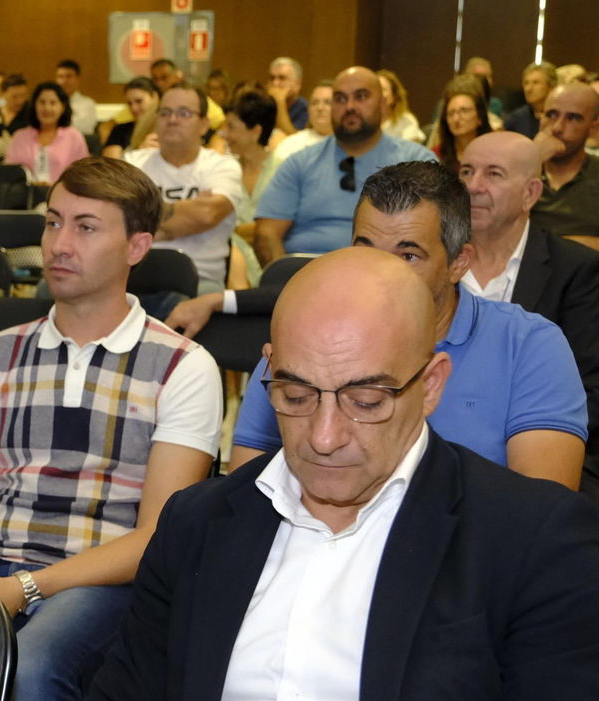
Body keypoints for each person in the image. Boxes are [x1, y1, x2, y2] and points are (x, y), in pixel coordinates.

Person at [0, 244, 599, 701]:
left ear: (431, 383)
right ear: (268, 373)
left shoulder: (527, 536)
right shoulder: (203, 523)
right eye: (295, 394)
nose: (323, 435)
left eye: (366, 398)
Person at [0, 155, 220, 701]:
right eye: (53, 222)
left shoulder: (183, 367)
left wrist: (28, 588)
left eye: (86, 227)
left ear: (137, 247)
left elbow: (157, 538)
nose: (59, 244)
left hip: (108, 577)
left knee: (36, 666)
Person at [233, 161, 586, 486]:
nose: (378, 271)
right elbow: (246, 495)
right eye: (366, 248)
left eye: (408, 255)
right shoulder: (306, 341)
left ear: (458, 263)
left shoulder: (528, 347)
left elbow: (540, 519)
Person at [460, 131, 599, 499]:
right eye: (466, 172)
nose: (473, 186)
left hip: (542, 445)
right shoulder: (432, 263)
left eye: (493, 174)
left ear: (531, 194)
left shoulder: (577, 271)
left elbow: (590, 390)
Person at [253, 67, 436, 264]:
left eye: (361, 96)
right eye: (340, 99)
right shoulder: (300, 162)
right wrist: (290, 285)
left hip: (385, 277)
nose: (350, 106)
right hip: (306, 276)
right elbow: (266, 233)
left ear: (383, 104)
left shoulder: (416, 161)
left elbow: (435, 237)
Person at [126, 82, 243, 296]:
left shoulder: (222, 166)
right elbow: (117, 220)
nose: (172, 120)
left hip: (200, 281)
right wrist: (188, 212)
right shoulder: (133, 164)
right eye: (165, 113)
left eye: (184, 113)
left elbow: (206, 215)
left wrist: (145, 221)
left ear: (204, 124)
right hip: (134, 278)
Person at [222, 89, 284, 288]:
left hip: (271, 260)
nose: (224, 133)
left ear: (255, 131)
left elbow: (280, 227)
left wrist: (238, 231)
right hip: (229, 263)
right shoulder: (222, 170)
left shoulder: (284, 171)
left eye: (231, 127)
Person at [531, 82, 599, 250]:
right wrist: (531, 159)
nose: (557, 128)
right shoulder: (518, 171)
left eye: (573, 118)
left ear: (593, 127)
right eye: (551, 115)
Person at [6, 82, 90, 187]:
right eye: (42, 102)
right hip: (23, 197)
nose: (47, 108)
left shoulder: (74, 137)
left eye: (53, 103)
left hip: (63, 198)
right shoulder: (20, 137)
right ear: (34, 105)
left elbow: (83, 176)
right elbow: (8, 174)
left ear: (63, 107)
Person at [432, 75, 493, 174]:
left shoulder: (495, 154)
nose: (456, 119)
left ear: (480, 117)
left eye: (464, 111)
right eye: (451, 113)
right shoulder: (436, 155)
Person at [149, 59, 226, 133]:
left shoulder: (196, 99)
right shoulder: (153, 102)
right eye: (155, 79)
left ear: (177, 76)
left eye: (164, 78)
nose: (159, 84)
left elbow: (222, 124)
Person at [268, 79, 333, 164]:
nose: (320, 107)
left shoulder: (351, 145)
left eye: (328, 102)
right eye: (315, 102)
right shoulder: (292, 144)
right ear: (308, 109)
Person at [102, 77, 158, 159]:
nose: (134, 108)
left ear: (155, 97)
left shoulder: (169, 129)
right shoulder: (120, 131)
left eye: (139, 101)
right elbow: (111, 167)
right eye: (129, 103)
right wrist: (140, 154)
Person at [504, 62, 557, 138]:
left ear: (551, 87)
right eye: (526, 83)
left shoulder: (561, 117)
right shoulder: (516, 119)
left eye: (536, 83)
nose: (528, 89)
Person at [377, 68, 426, 143]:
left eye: (383, 89)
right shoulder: (364, 122)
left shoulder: (406, 121)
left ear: (394, 97)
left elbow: (410, 152)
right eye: (375, 89)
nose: (378, 94)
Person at [54, 60, 98, 138]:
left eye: (69, 76)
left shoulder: (87, 103)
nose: (64, 81)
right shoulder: (50, 103)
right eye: (61, 77)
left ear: (78, 79)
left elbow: (86, 126)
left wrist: (54, 122)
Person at [267, 56, 309, 133]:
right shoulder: (264, 104)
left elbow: (293, 139)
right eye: (272, 78)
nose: (275, 83)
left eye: (282, 78)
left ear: (297, 85)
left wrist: (279, 102)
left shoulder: (305, 109)